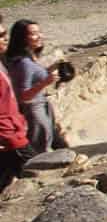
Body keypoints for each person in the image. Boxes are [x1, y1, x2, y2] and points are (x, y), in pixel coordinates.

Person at [5, 19, 61, 153]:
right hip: (34, 112)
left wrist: (48, 72)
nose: (40, 36)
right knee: (40, 150)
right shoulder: (24, 63)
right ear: (23, 38)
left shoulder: (29, 58)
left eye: (39, 32)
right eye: (34, 34)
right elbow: (23, 96)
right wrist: (46, 82)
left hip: (41, 108)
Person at [0, 14, 34, 190]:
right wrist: (11, 136)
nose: (5, 38)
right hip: (11, 139)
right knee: (38, 174)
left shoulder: (2, 62)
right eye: (1, 35)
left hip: (12, 134)